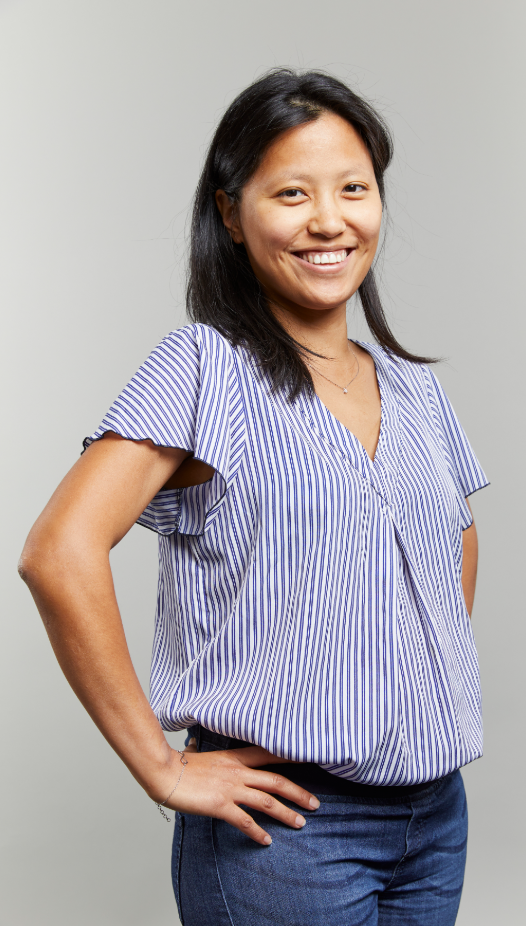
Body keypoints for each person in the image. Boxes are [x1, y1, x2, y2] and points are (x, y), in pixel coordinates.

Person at [19, 69, 489, 925]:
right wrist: (160, 766)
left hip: (433, 815)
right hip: (287, 826)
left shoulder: (413, 388)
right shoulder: (203, 368)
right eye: (291, 193)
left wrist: (400, 687)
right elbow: (57, 552)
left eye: (353, 189)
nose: (329, 220)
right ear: (231, 214)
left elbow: (453, 536)